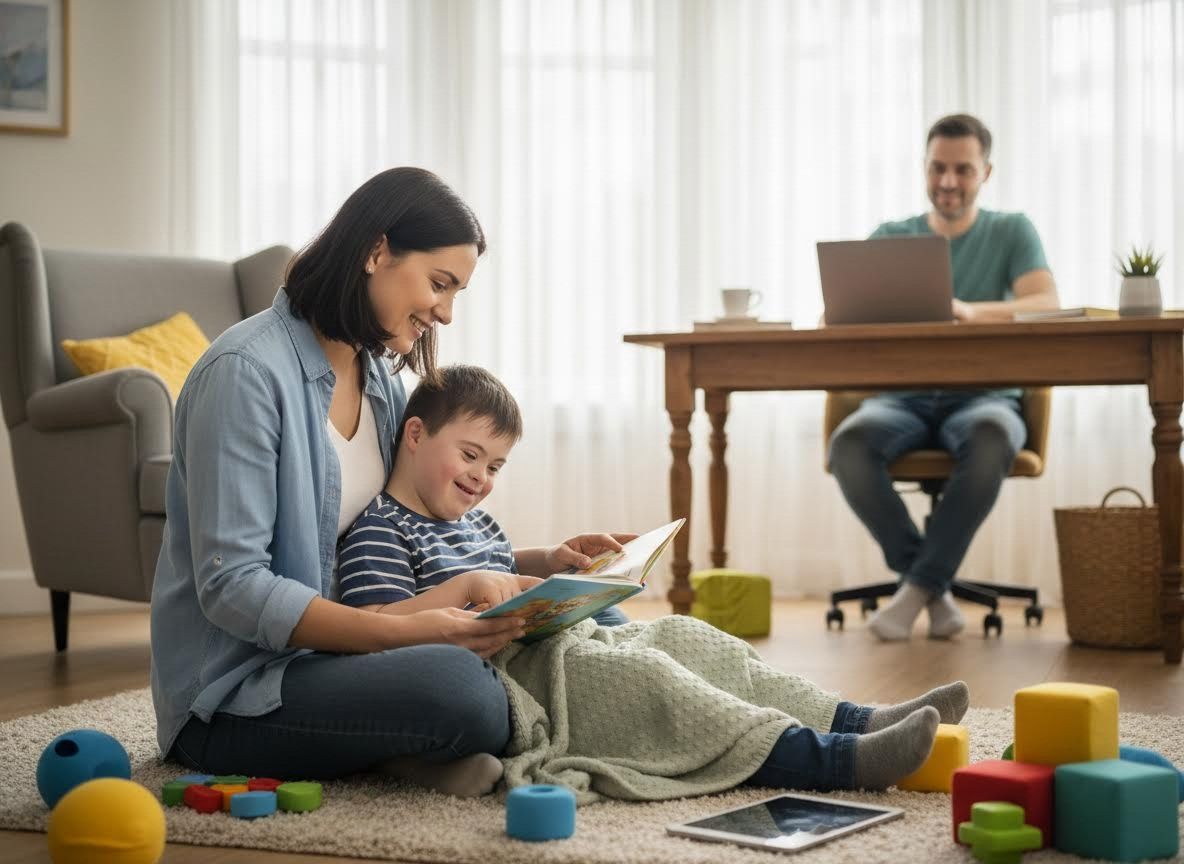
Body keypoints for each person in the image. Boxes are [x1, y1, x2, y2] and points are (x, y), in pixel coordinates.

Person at [339, 364, 974, 796]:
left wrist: (549, 561)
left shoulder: (469, 516)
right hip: (511, 673)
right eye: (471, 456)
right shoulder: (379, 532)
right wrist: (462, 593)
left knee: (689, 639)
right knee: (650, 684)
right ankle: (835, 762)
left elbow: (497, 572)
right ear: (416, 435)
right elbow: (380, 637)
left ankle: (858, 719)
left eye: (496, 466)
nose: (482, 478)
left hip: (544, 639)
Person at [150, 168, 532, 797]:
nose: (446, 312)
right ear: (376, 252)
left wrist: (542, 566)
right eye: (440, 284)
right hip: (234, 696)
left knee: (582, 632)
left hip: (341, 660)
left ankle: (393, 752)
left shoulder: (379, 378)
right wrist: (408, 632)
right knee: (464, 690)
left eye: (456, 292)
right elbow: (232, 587)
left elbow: (410, 522)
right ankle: (396, 744)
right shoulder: (244, 373)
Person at [827, 114, 1059, 641]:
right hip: (901, 400)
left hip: (983, 397)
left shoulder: (1011, 230)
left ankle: (915, 589)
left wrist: (973, 312)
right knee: (849, 446)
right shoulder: (890, 237)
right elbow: (847, 313)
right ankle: (931, 585)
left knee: (993, 436)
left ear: (986, 172)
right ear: (924, 168)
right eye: (937, 168)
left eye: (962, 170)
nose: (948, 182)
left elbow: (1045, 303)